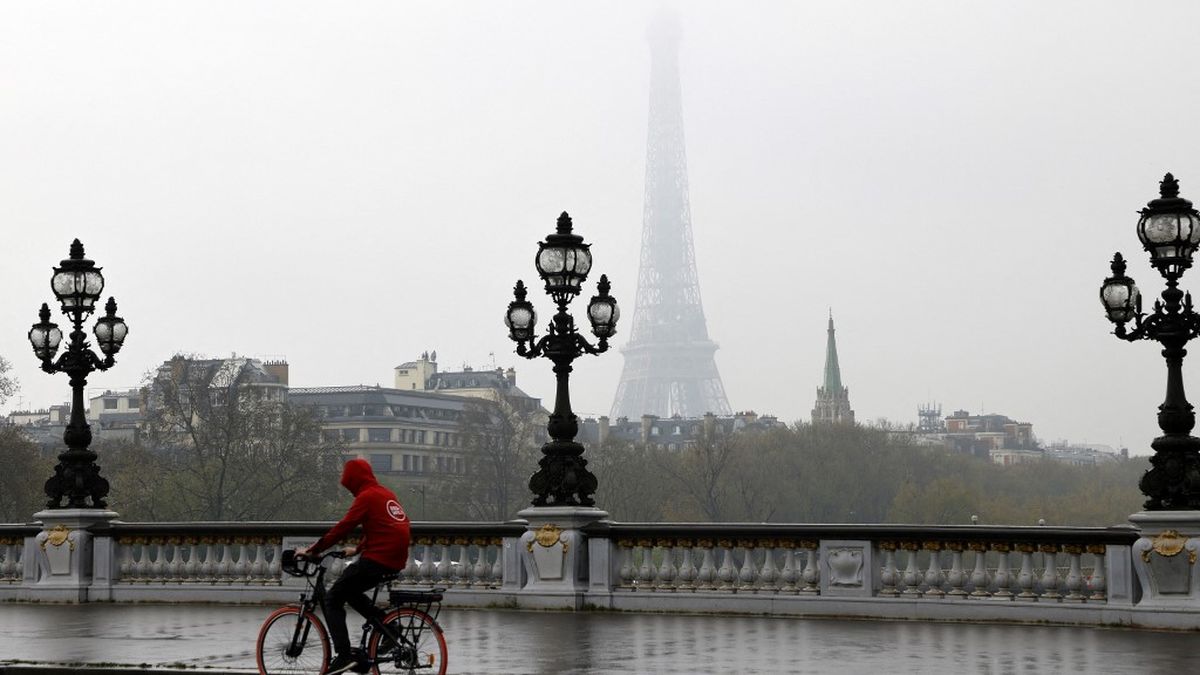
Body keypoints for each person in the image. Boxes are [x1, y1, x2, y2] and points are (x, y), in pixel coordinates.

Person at [300, 458, 410, 675]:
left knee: (332, 598)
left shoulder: (366, 496)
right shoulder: (386, 493)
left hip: (378, 558)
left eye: (350, 486)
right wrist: (358, 549)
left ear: (355, 481)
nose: (350, 491)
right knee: (349, 590)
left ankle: (343, 657)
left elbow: (344, 527)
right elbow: (382, 527)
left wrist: (314, 549)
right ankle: (389, 628)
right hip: (395, 558)